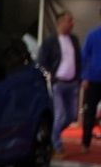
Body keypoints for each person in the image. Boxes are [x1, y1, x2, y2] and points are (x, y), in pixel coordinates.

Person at [36, 11, 81, 156]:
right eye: (69, 21)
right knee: (60, 115)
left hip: (72, 83)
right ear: (60, 22)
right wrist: (51, 76)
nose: (72, 23)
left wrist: (79, 78)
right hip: (58, 84)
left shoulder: (74, 40)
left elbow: (78, 59)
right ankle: (56, 145)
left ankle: (52, 135)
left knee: (72, 115)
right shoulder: (50, 41)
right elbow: (41, 61)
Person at [80, 13, 101, 151]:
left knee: (90, 112)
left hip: (93, 78)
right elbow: (84, 57)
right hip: (93, 79)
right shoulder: (92, 35)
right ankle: (85, 142)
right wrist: (85, 77)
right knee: (90, 112)